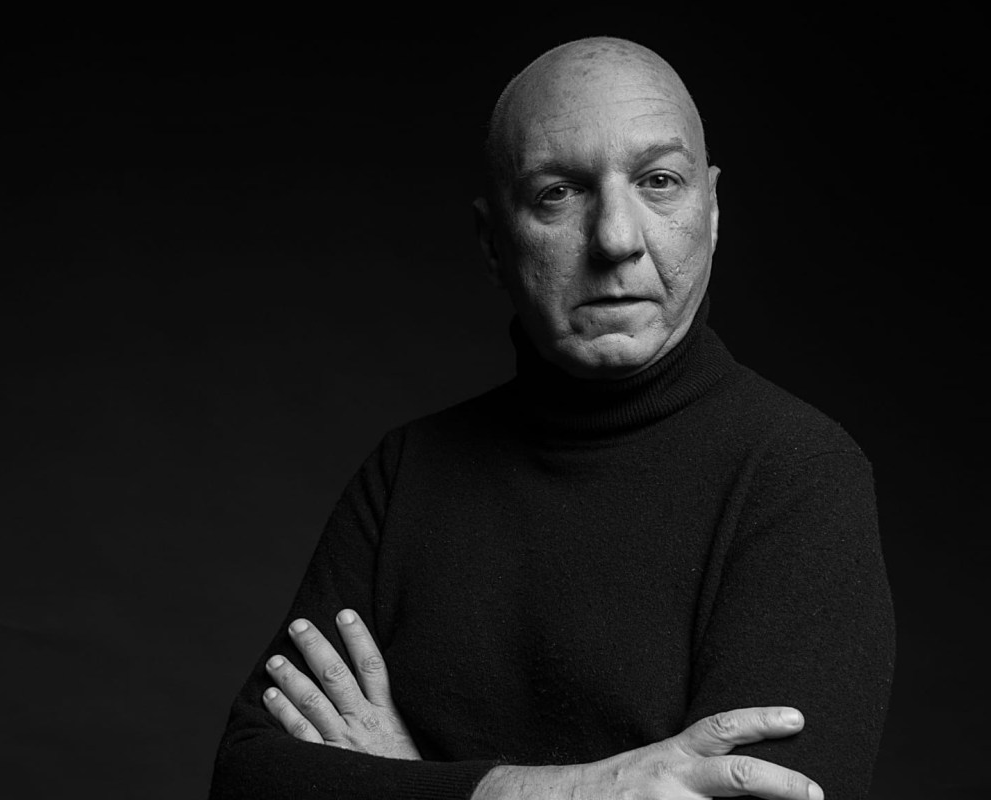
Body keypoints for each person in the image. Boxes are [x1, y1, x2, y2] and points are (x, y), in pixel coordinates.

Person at [208, 36, 894, 800]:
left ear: (711, 210)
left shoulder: (797, 476)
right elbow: (248, 777)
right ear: (492, 242)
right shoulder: (406, 475)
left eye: (659, 182)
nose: (616, 239)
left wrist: (409, 784)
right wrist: (560, 791)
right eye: (558, 194)